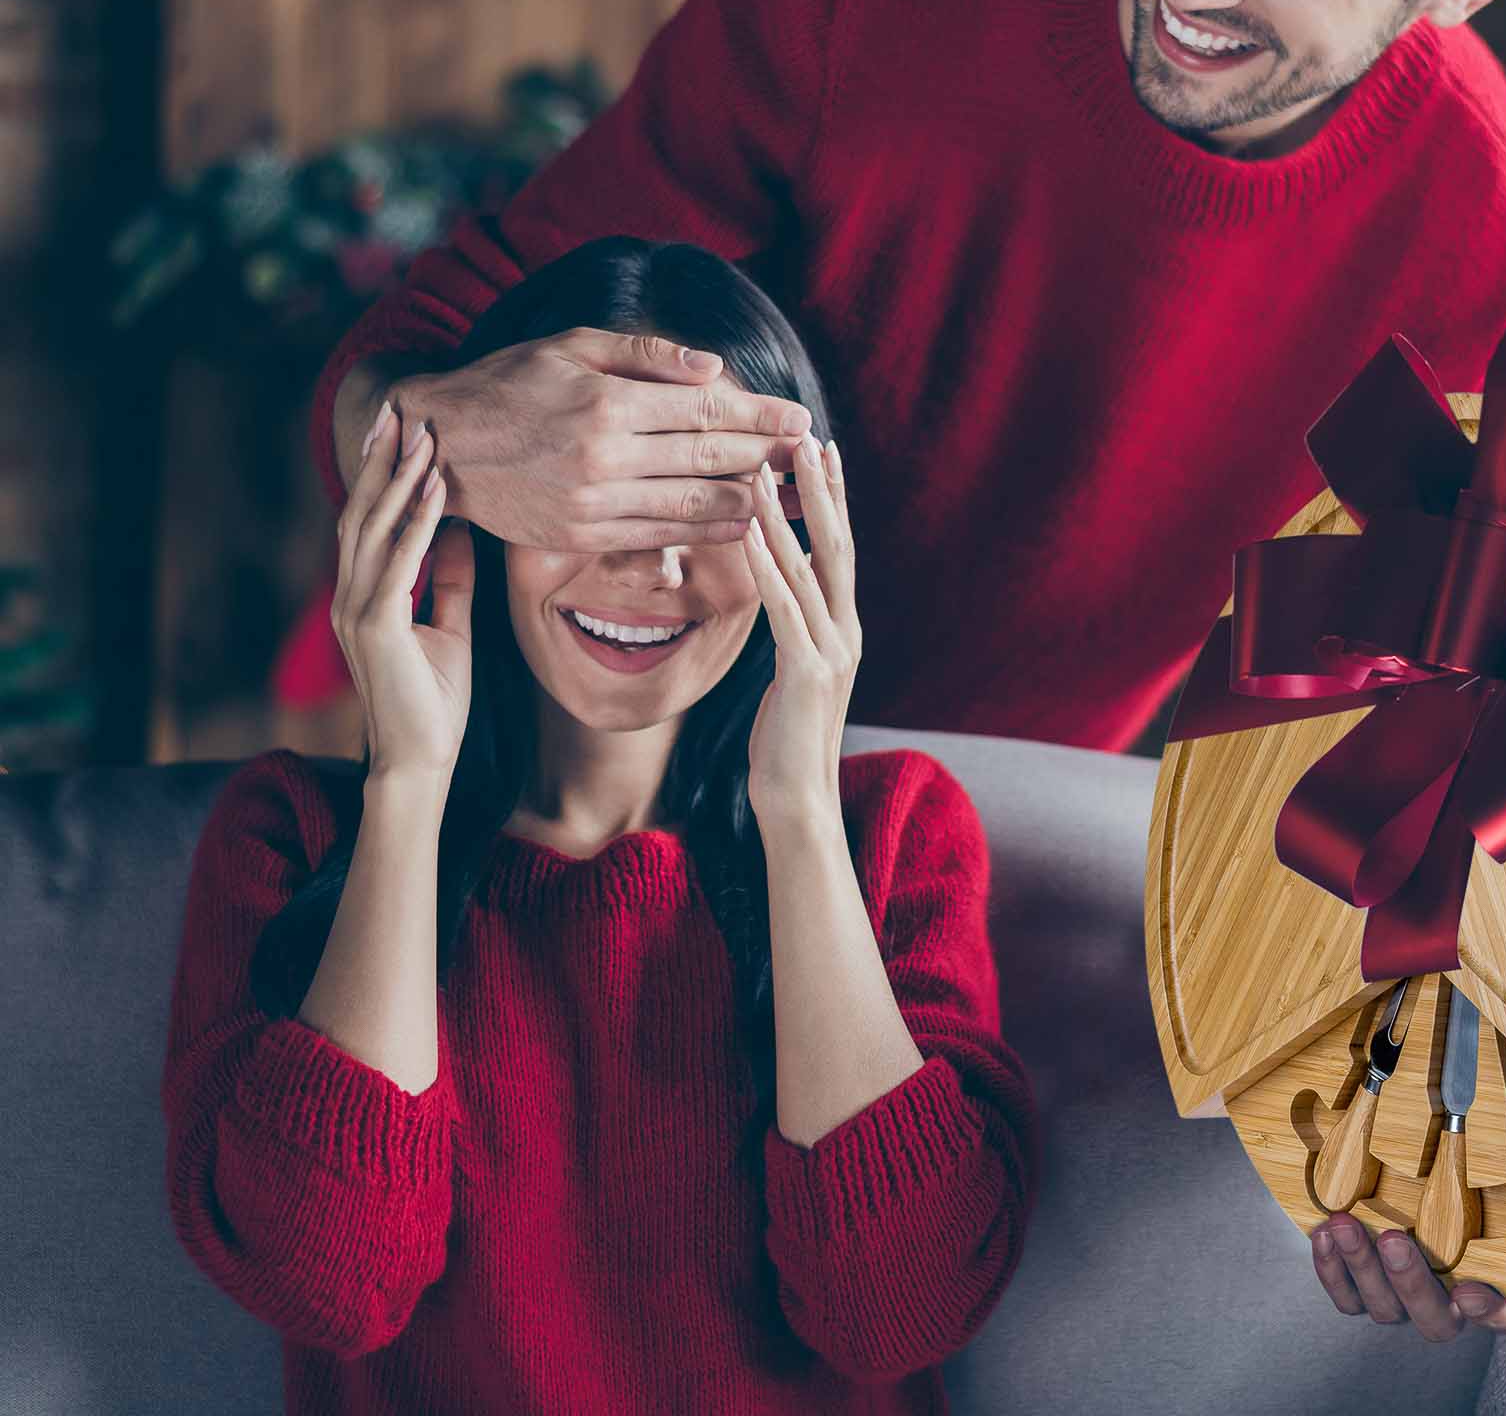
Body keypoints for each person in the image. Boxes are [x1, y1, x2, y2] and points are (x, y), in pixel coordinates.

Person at [308, 0, 1506, 1340]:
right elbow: (408, 356)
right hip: (602, 796)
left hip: (973, 856)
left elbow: (1429, 753)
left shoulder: (1497, 258)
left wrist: (1447, 1123)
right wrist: (442, 426)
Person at [164, 237, 1040, 1416]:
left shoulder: (894, 833)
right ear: (473, 503)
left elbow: (900, 1310)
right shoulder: (289, 832)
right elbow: (324, 1281)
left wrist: (794, 811)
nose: (655, 563)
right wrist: (411, 785)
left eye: (712, 501)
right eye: (605, 494)